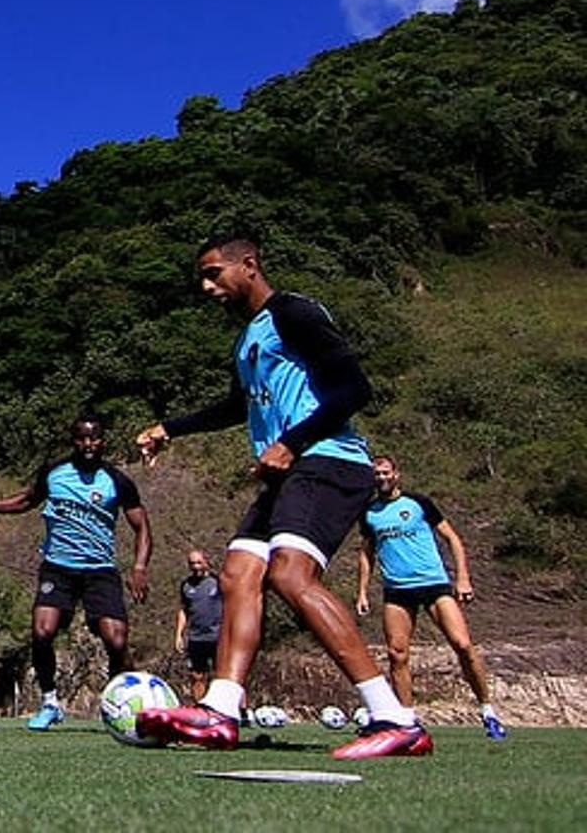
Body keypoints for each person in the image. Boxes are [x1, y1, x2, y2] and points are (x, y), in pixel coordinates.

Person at [134, 233, 431, 759]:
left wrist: (292, 441)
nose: (206, 286)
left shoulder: (293, 313)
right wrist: (169, 428)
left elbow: (354, 387)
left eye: (213, 273)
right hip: (290, 473)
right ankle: (220, 710)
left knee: (290, 575)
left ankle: (394, 717)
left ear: (248, 266)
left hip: (330, 460)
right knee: (237, 574)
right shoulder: (248, 340)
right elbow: (236, 407)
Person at [0, 413, 151, 730]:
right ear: (74, 440)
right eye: (82, 438)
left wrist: (138, 567)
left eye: (94, 438)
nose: (88, 444)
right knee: (42, 631)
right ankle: (50, 701)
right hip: (58, 568)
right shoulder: (55, 472)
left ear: (103, 440)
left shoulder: (118, 481)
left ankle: (121, 704)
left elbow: (142, 527)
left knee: (117, 641)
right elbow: (26, 500)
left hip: (100, 570)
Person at [356, 455, 506, 740]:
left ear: (396, 474)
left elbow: (453, 539)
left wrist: (462, 578)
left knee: (462, 645)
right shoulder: (370, 512)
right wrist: (362, 591)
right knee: (396, 654)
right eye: (376, 474)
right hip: (397, 591)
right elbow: (366, 553)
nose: (382, 478)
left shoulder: (418, 503)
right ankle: (407, 721)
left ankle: (488, 711)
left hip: (434, 585)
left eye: (386, 472)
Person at [173, 549, 223, 703]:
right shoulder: (186, 586)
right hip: (196, 638)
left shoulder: (218, 582)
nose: (195, 567)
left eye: (199, 563)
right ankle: (200, 707)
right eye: (192, 563)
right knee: (197, 676)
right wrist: (178, 635)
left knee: (222, 677)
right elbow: (183, 611)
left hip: (218, 637)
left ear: (206, 562)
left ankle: (230, 711)